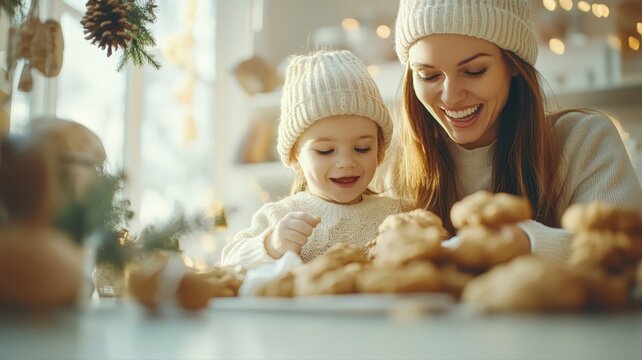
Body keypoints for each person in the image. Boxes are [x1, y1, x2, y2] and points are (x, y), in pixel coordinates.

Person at [384, 0, 642, 261]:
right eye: (428, 76)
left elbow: (623, 249)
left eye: (474, 71)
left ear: (513, 65)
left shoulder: (586, 141)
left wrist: (523, 242)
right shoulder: (391, 165)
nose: (450, 97)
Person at [221, 50, 402, 269]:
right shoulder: (280, 216)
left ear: (379, 150)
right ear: (295, 156)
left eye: (362, 148)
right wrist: (271, 245)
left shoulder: (397, 214)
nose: (346, 162)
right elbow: (228, 265)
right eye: (326, 151)